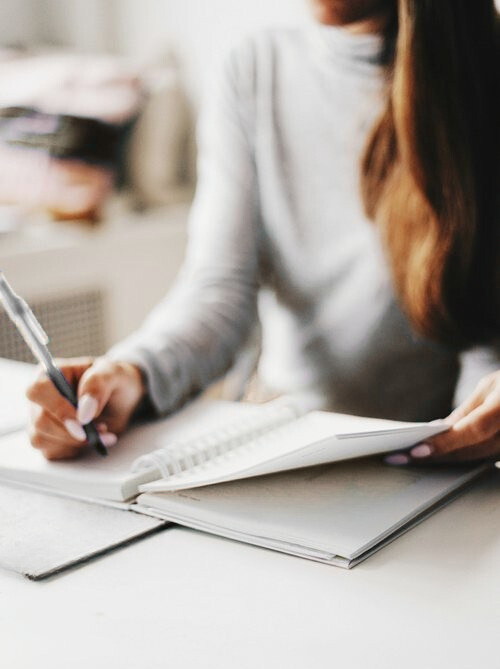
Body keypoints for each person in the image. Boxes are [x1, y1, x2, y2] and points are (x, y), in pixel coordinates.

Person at [26, 0, 500, 465]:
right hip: (285, 443)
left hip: (446, 465)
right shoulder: (255, 69)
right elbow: (219, 291)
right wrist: (131, 372)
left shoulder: (484, 69)